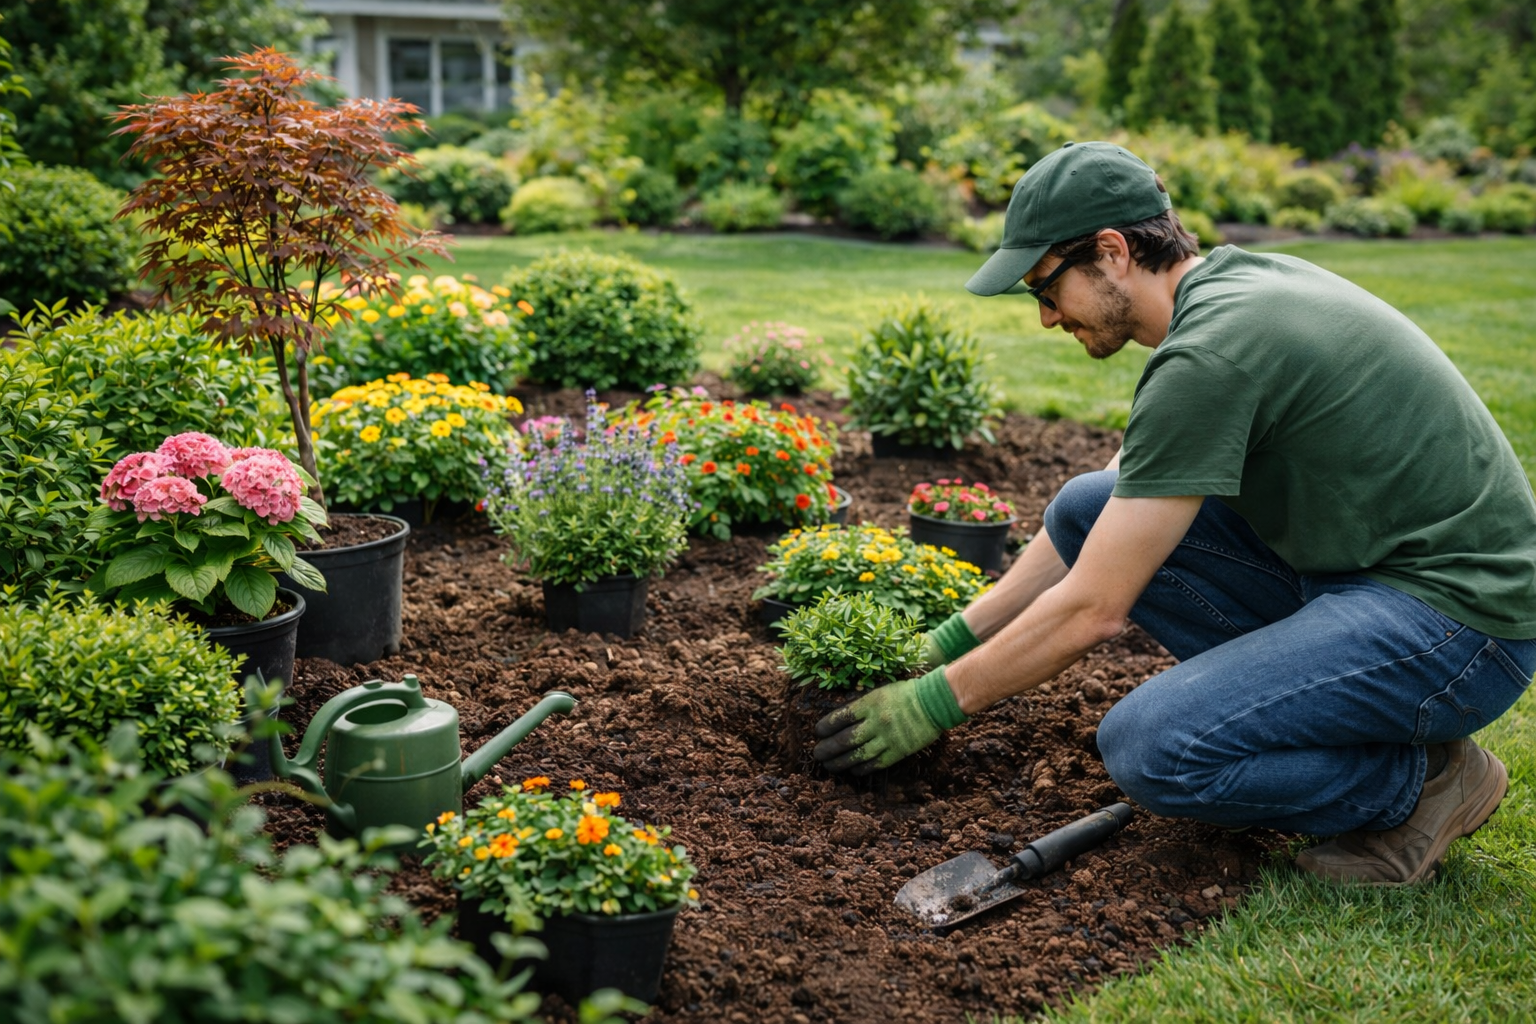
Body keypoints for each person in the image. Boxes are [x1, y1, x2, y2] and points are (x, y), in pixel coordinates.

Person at [812, 141, 1536, 885]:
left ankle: (1417, 788)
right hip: (1370, 581)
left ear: (1113, 251)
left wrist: (932, 702)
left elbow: (1092, 608)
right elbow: (1117, 501)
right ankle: (1387, 744)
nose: (1045, 318)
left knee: (1152, 749)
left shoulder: (1210, 354)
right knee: (1086, 507)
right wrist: (950, 638)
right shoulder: (1230, 290)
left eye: (1046, 288)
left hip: (1463, 624)